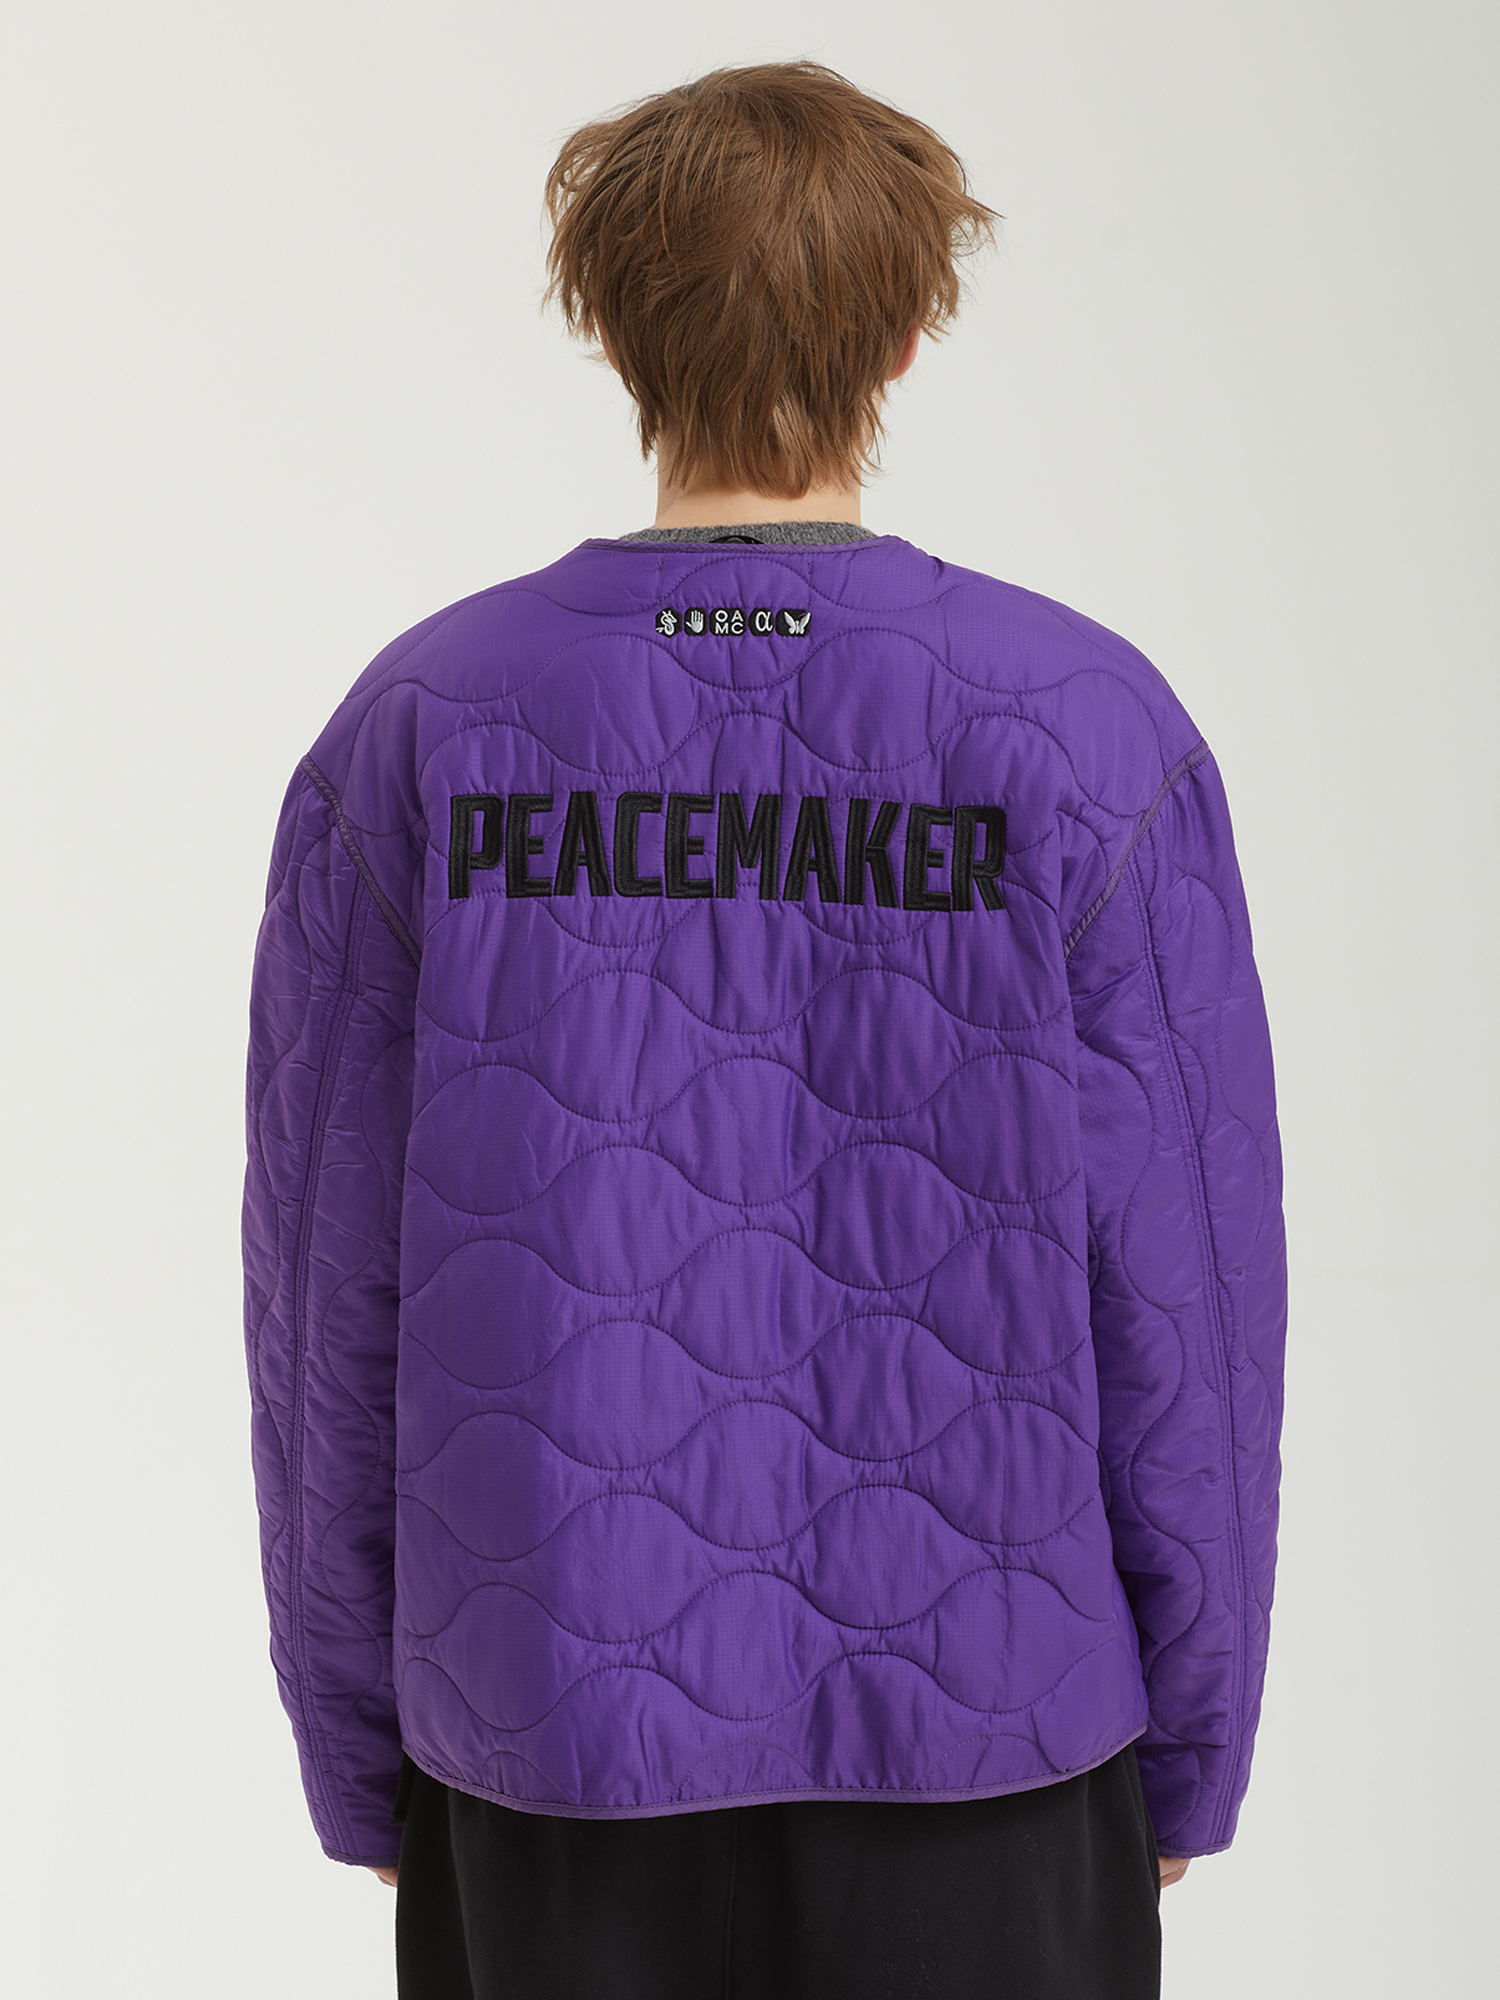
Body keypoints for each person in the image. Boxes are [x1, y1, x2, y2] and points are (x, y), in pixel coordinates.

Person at [241, 60, 1287, 2000]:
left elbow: (325, 1308)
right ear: (902, 332)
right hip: (998, 1740)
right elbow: (1193, 1300)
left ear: (611, 325)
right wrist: (1194, 1742)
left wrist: (357, 1750)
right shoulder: (1087, 733)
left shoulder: (417, 734)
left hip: (551, 1739)